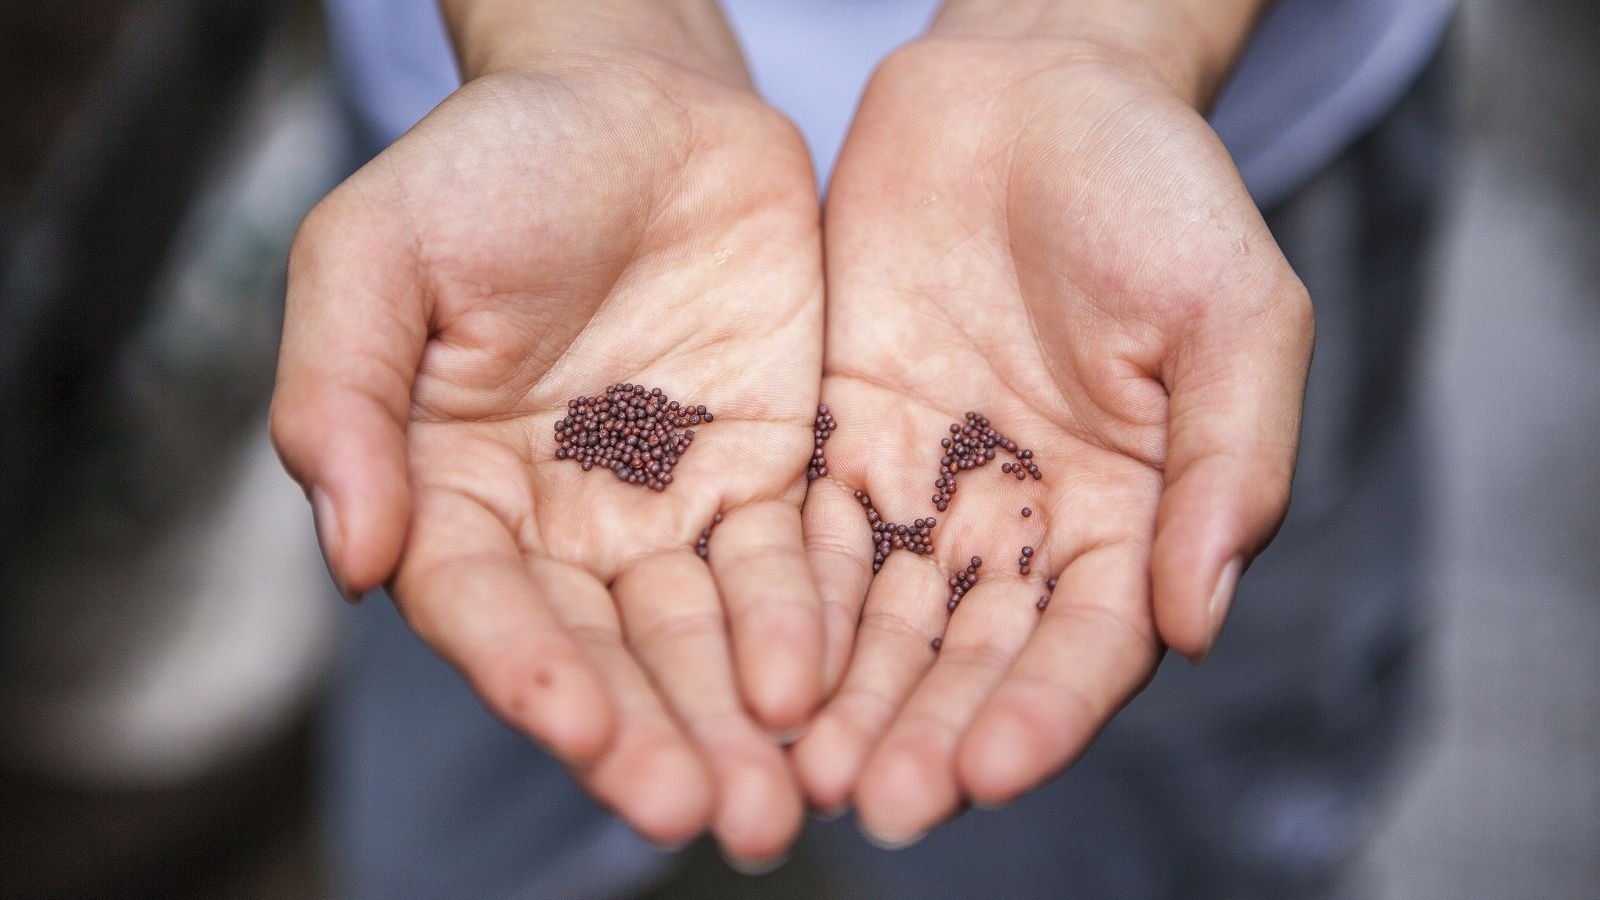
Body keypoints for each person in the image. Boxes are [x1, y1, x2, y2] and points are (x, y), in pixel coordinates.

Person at [271, 0, 1456, 895]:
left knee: (1140, 819)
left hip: (1168, 181)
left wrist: (1089, 31)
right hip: (536, 227)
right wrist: (580, 31)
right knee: (501, 706)